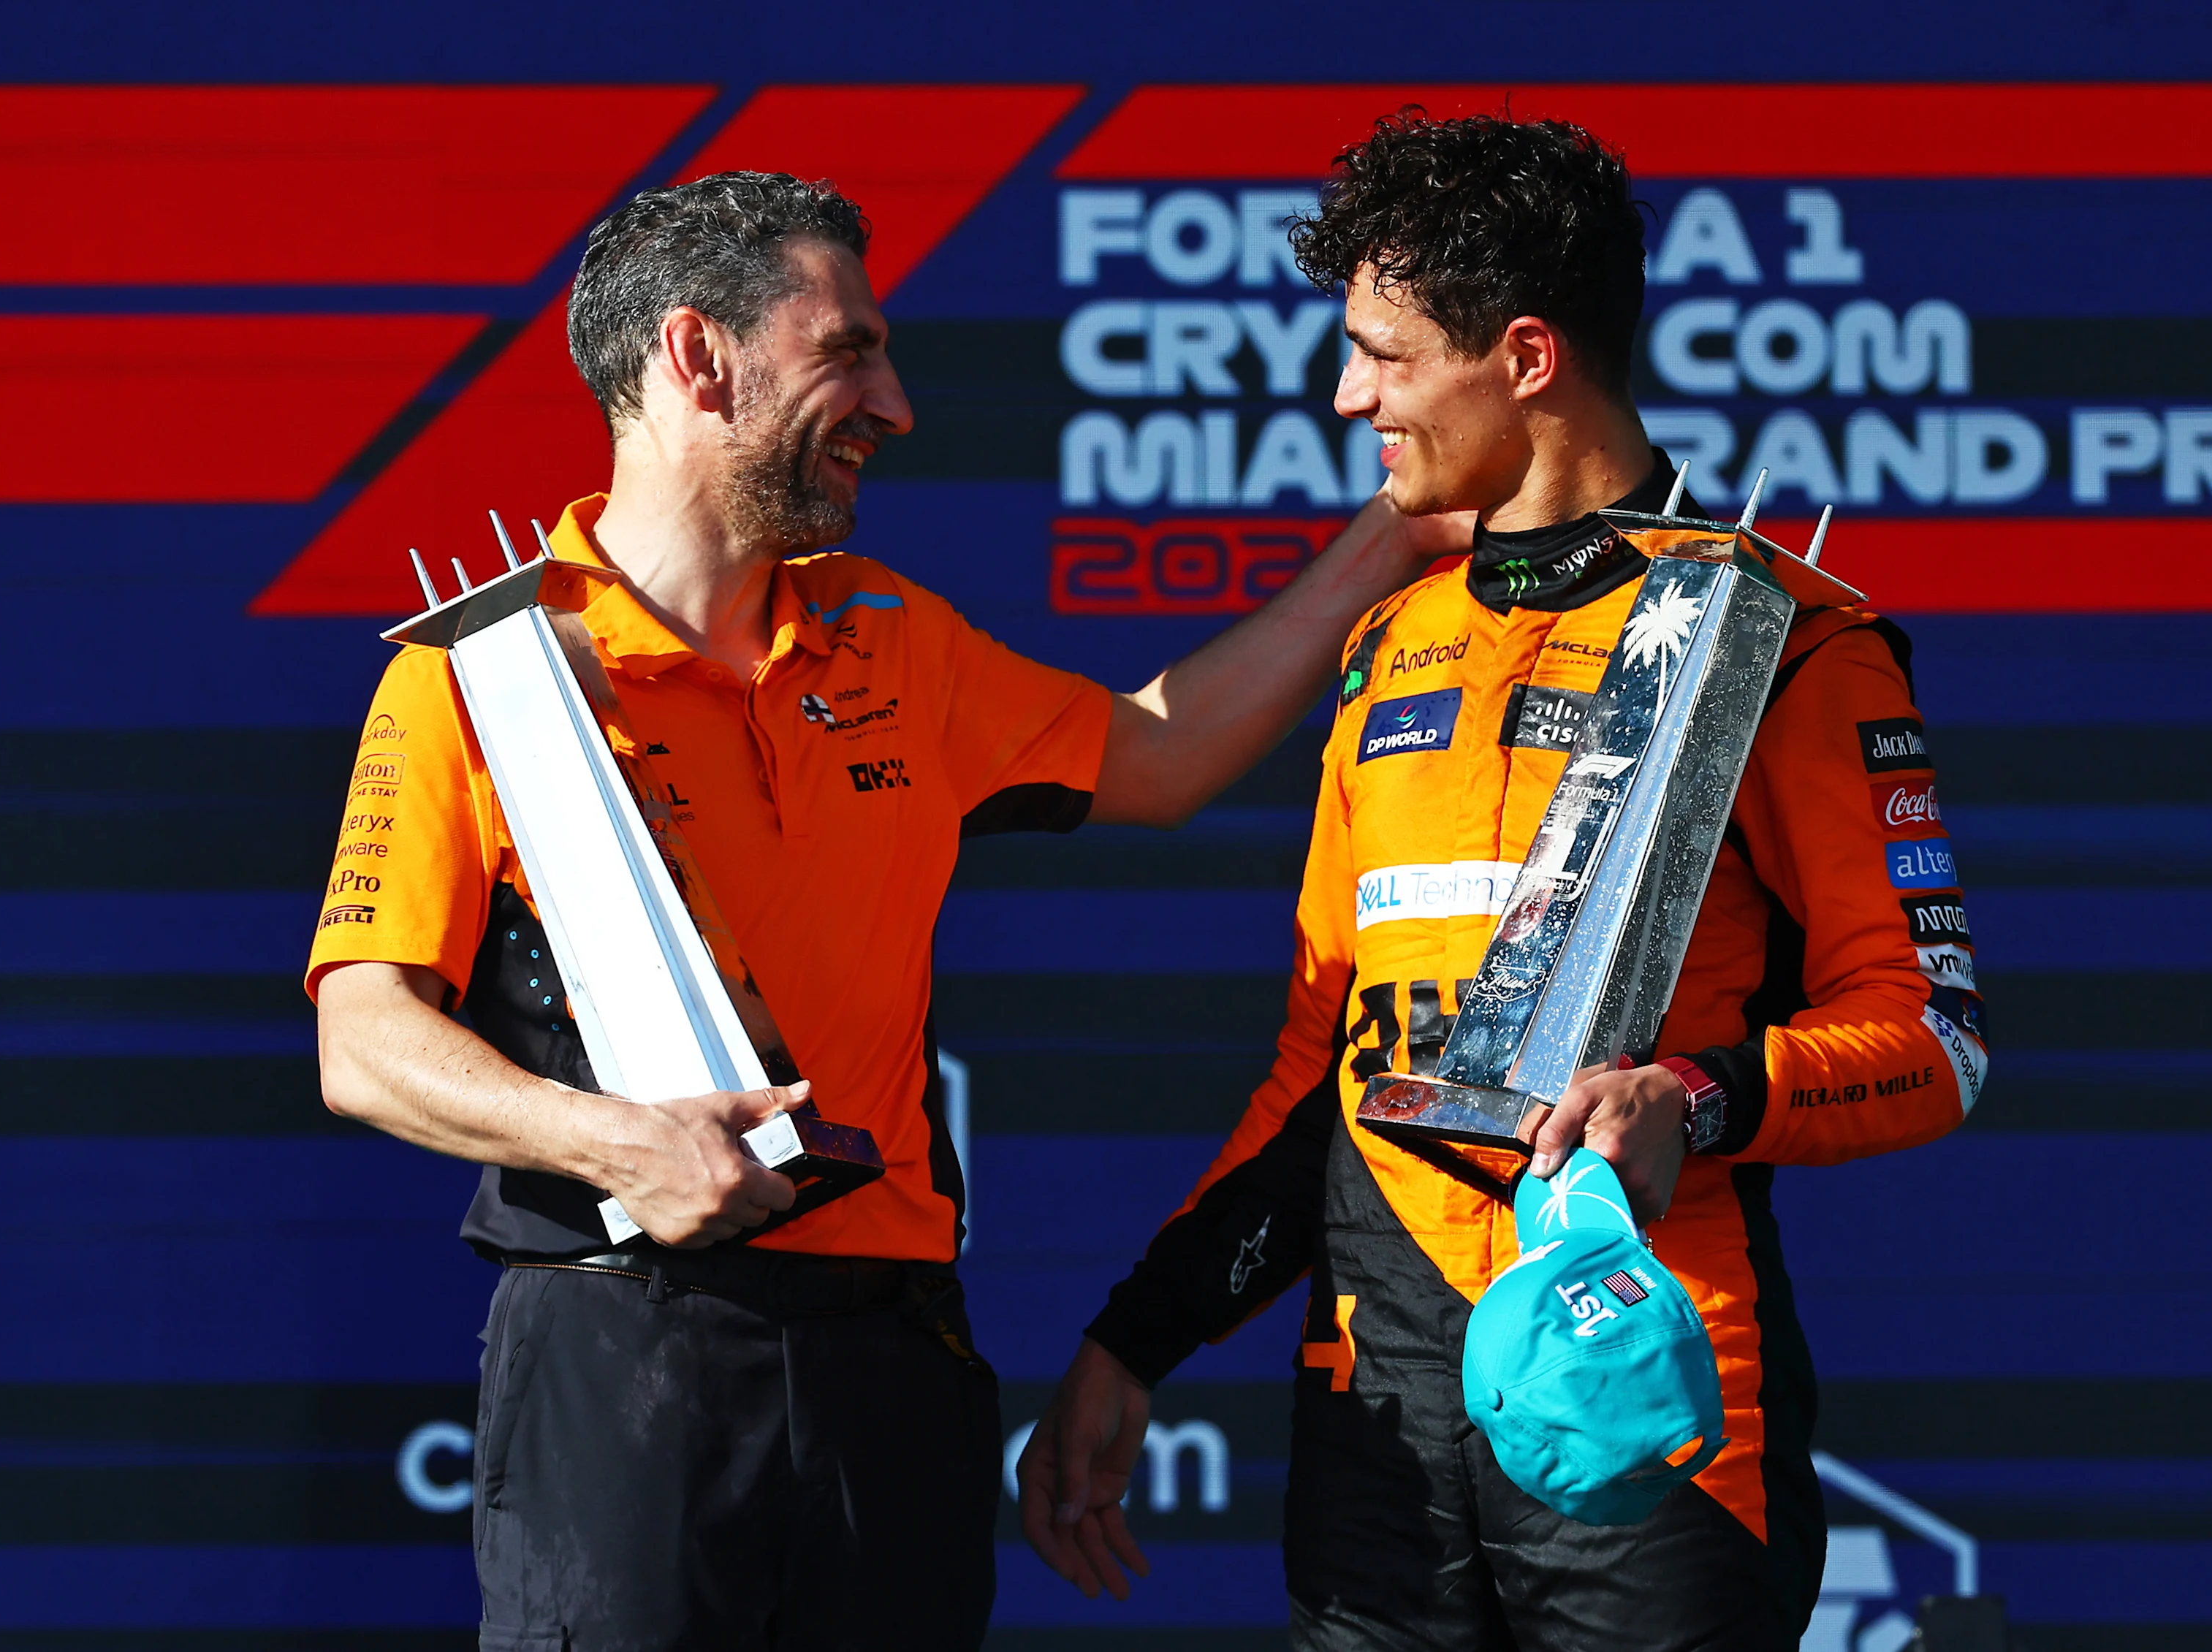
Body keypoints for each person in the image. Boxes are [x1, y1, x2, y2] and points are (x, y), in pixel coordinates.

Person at [308, 172, 1464, 1651]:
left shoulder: (893, 638)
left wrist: (1399, 529)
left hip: (894, 1354)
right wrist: (613, 1141)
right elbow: (364, 1033)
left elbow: (1162, 754)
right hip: (620, 1343)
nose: (895, 402)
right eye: (846, 348)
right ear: (695, 356)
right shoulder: (486, 674)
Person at [1020, 111, 1987, 1650]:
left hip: (1645, 1389)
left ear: (1524, 356)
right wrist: (1136, 1340)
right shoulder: (1390, 642)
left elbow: (1936, 1038)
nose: (1348, 397)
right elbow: (1319, 1072)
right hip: (1376, 1412)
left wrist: (1698, 1096)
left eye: (1384, 356)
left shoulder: (1782, 639)